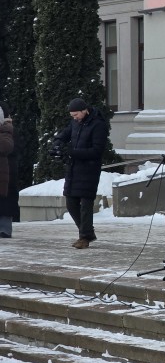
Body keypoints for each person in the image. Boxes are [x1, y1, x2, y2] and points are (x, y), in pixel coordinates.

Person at [50, 98, 108, 249]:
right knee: (71, 203)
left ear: (84, 110)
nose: (74, 118)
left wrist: (72, 152)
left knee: (86, 205)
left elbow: (97, 151)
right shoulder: (75, 123)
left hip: (89, 170)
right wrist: (57, 142)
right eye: (72, 116)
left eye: (76, 115)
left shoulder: (98, 125)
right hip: (74, 168)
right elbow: (65, 134)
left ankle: (84, 237)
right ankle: (87, 233)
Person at [0, 102, 18, 238]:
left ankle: (4, 229)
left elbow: (7, 146)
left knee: (6, 202)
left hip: (7, 170)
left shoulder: (7, 130)